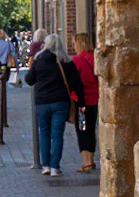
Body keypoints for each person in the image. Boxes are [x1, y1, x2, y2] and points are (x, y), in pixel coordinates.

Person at [23, 33, 84, 177]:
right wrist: (81, 102)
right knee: (57, 135)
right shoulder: (66, 61)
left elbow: (29, 80)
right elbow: (76, 83)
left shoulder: (38, 60)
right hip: (60, 101)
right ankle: (55, 167)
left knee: (44, 133)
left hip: (42, 101)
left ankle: (45, 166)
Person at [72, 32, 99, 172]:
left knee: (82, 130)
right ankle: (92, 159)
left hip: (80, 101)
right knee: (91, 129)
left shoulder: (76, 60)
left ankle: (86, 162)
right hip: (94, 98)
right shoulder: (95, 58)